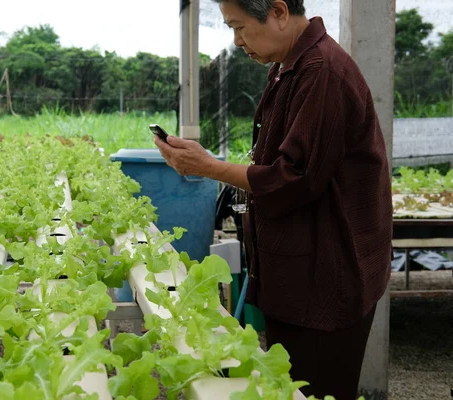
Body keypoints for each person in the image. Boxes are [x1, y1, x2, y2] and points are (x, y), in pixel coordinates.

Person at [154, 1, 393, 399]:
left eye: (241, 27)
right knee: (292, 382)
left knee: (316, 388)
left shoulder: (322, 71)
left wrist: (211, 167)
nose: (237, 40)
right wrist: (207, 163)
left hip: (326, 274)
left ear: (279, 11)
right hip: (302, 269)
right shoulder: (290, 66)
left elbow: (294, 178)